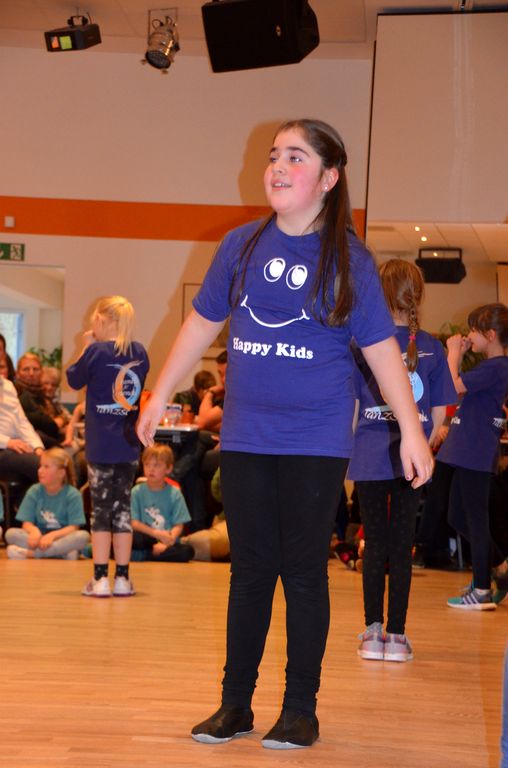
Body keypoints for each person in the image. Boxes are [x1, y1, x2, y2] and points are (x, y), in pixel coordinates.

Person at [136, 118, 433, 750]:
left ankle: (300, 710)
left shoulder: (349, 260)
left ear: (328, 178)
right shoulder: (240, 245)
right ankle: (235, 705)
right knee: (249, 571)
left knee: (301, 572)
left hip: (315, 439)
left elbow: (381, 351)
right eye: (275, 155)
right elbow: (199, 324)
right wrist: (159, 393)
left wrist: (411, 428)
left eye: (295, 157)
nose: (277, 166)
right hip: (247, 434)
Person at [348, 259, 456, 662]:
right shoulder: (431, 346)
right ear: (417, 296)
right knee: (401, 543)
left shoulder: (363, 343)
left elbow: (351, 405)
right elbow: (441, 410)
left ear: (379, 293)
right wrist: (423, 443)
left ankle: (372, 633)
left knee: (374, 542)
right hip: (415, 460)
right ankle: (396, 635)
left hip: (370, 454)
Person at [67, 295, 149, 598]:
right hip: (128, 444)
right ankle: (123, 578)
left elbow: (73, 379)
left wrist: (86, 346)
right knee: (122, 509)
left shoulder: (95, 351)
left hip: (100, 445)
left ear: (103, 320)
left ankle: (100, 579)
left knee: (101, 511)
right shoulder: (139, 352)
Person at [438, 303, 508, 609]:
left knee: (476, 521)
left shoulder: (496, 367)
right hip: (468, 451)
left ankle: (481, 589)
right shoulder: (491, 368)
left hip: (475, 452)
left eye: (474, 331)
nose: (468, 336)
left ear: (490, 335)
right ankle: (499, 567)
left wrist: (454, 353)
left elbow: (451, 389)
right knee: (457, 515)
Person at [4, 446, 89, 559]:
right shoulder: (34, 491)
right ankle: (61, 553)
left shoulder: (73, 494)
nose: (40, 470)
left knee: (83, 536)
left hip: (62, 537)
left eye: (46, 467)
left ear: (61, 473)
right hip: (38, 538)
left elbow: (73, 527)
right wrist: (34, 531)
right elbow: (26, 523)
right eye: (40, 466)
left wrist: (52, 536)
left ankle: (32, 553)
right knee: (10, 534)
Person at [131, 444, 194, 562]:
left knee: (188, 551)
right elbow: (134, 523)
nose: (151, 469)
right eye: (147, 465)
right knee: (131, 537)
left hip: (166, 539)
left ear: (168, 468)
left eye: (156, 465)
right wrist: (156, 534)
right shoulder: (136, 491)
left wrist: (168, 541)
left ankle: (145, 555)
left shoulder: (175, 493)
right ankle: (153, 554)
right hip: (146, 537)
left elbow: (179, 525)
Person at [0, 373, 44, 486]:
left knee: (54, 462)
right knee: (45, 467)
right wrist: (7, 442)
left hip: (15, 445)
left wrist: (37, 447)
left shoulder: (7, 385)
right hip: (4, 447)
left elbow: (22, 422)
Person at [14, 353, 62, 447]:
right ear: (17, 373)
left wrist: (62, 419)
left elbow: (60, 415)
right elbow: (47, 425)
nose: (31, 373)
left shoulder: (44, 393)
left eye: (35, 369)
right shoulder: (17, 394)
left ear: (41, 372)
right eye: (26, 369)